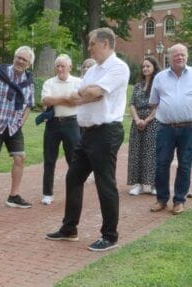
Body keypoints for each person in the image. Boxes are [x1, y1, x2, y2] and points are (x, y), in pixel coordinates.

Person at [45, 27, 130, 252]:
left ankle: (110, 235)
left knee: (105, 183)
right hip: (87, 133)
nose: (89, 47)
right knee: (73, 178)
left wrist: (86, 94)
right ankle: (69, 228)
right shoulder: (93, 71)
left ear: (105, 44)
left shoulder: (119, 67)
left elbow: (93, 93)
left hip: (107, 132)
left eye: (92, 43)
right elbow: (80, 95)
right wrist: (86, 94)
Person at [148, 43, 192, 215]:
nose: (180, 57)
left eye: (183, 54)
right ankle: (161, 199)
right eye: (176, 54)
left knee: (184, 164)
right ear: (169, 57)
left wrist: (191, 110)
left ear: (187, 56)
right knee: (161, 163)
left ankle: (179, 200)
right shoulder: (160, 77)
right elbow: (154, 102)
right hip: (165, 128)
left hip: (189, 127)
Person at [0, 46, 36, 211]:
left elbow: (29, 105)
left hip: (14, 126)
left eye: (24, 59)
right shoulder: (0, 73)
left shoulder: (29, 81)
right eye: (18, 57)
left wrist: (21, 122)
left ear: (29, 64)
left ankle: (13, 196)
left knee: (20, 158)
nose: (20, 61)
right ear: (14, 57)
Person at [39, 54, 82, 205]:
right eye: (58, 66)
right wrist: (66, 99)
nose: (60, 68)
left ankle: (74, 193)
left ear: (70, 67)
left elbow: (78, 101)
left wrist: (57, 99)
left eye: (63, 66)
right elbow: (46, 100)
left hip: (72, 123)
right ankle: (47, 193)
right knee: (49, 159)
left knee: (74, 160)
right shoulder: (49, 82)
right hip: (53, 124)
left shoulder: (78, 82)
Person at [127, 56, 160, 196]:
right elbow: (132, 104)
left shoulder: (158, 85)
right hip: (137, 123)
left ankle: (153, 184)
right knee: (136, 153)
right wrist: (137, 120)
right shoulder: (137, 86)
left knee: (151, 153)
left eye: (148, 66)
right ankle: (138, 184)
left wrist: (146, 120)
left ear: (154, 68)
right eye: (143, 66)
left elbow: (159, 105)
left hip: (152, 123)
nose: (145, 68)